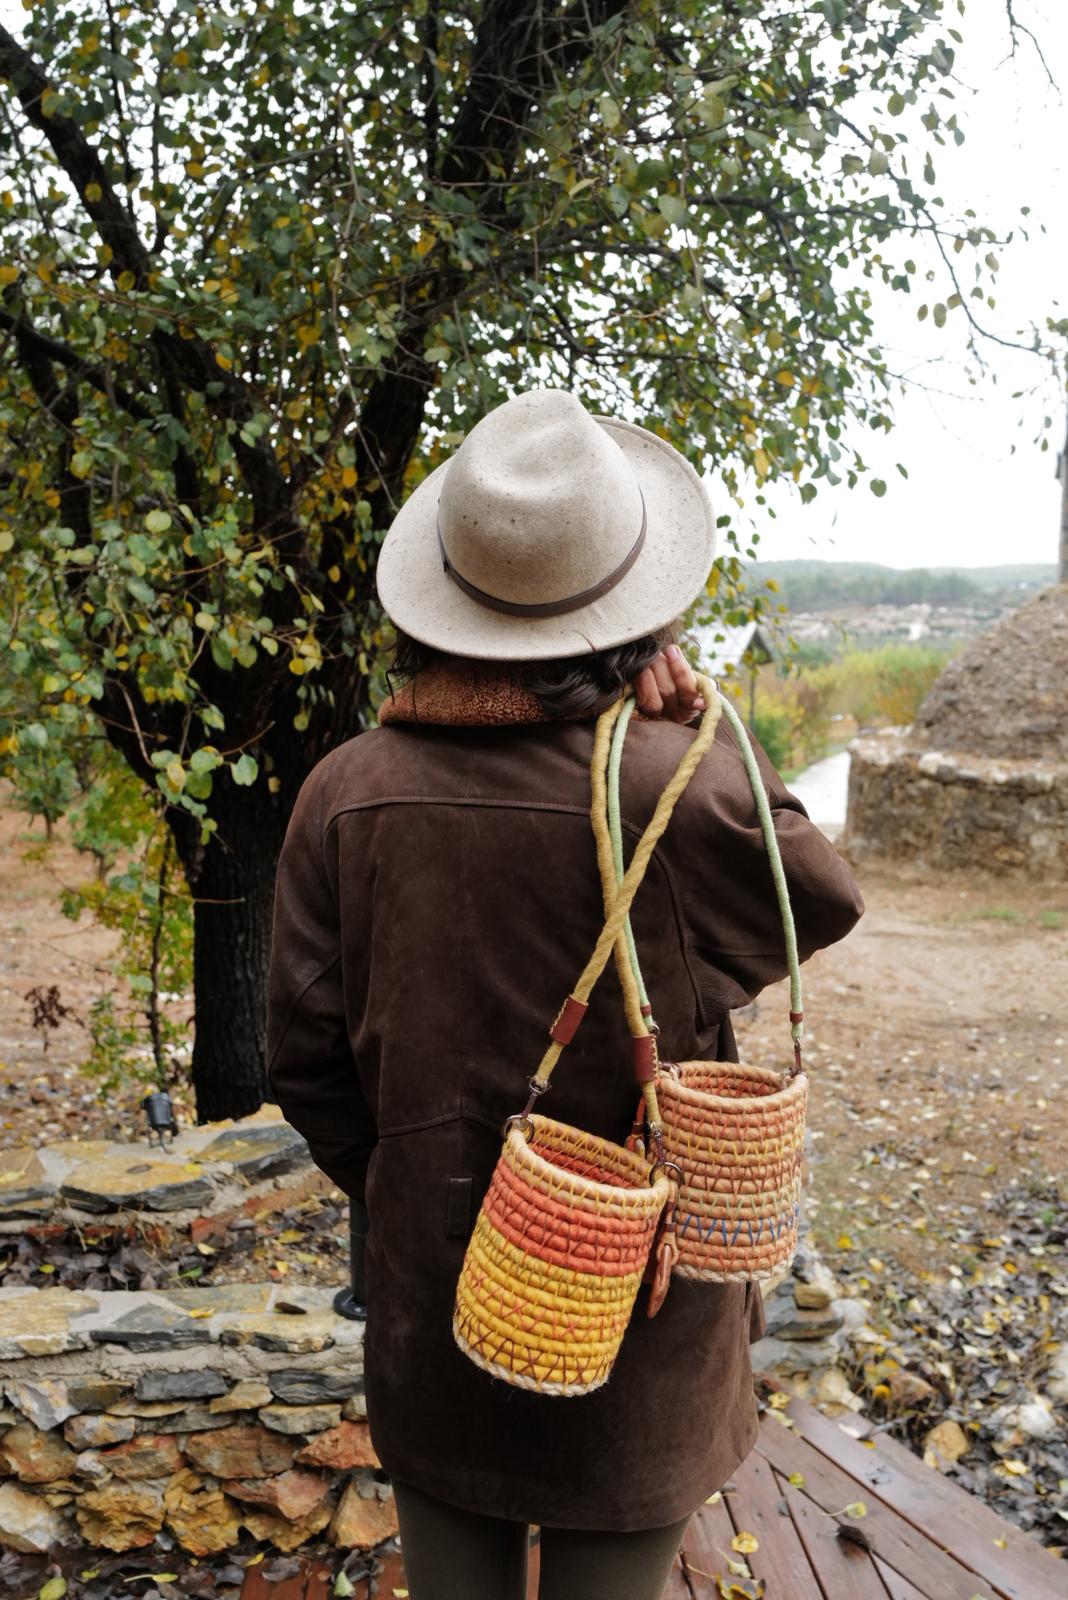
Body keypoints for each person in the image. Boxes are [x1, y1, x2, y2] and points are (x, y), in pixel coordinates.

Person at [267, 388, 863, 1600]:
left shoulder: (344, 791)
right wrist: (708, 721)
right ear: (628, 611)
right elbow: (823, 891)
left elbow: (303, 1059)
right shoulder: (675, 789)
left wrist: (410, 1186)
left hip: (440, 1297)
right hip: (645, 1312)